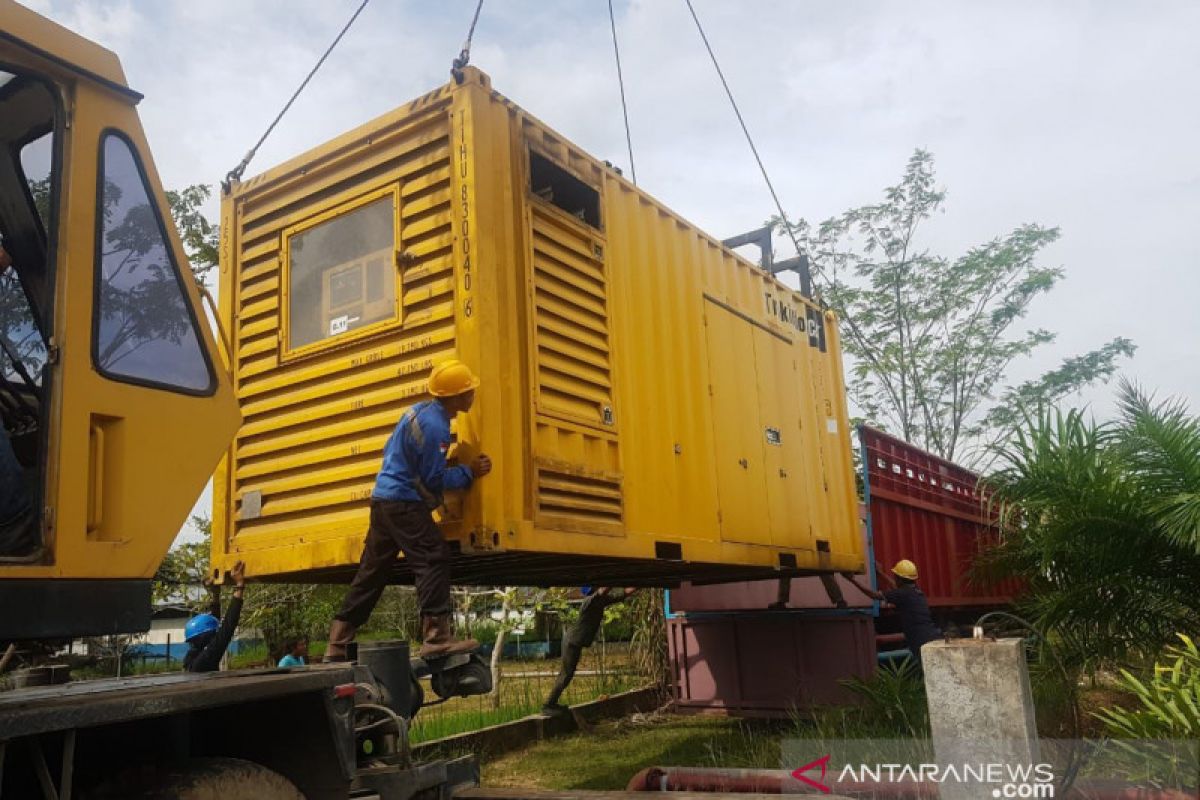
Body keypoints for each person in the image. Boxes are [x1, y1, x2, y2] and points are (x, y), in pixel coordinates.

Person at [325, 359, 493, 661]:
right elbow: (434, 479)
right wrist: (469, 471)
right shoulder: (436, 427)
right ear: (455, 396)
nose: (473, 395)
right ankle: (436, 637)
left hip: (383, 501)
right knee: (433, 557)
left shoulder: (418, 411)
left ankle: (337, 642)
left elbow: (396, 453)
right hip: (403, 503)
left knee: (372, 572)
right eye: (469, 391)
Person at [542, 586, 636, 714]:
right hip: (572, 642)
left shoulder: (602, 601)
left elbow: (624, 593)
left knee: (567, 674)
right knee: (566, 674)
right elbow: (603, 590)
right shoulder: (589, 601)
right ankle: (548, 705)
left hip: (575, 642)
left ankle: (551, 704)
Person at [844, 559, 942, 671]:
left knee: (930, 672)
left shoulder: (902, 594)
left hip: (920, 641)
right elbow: (896, 587)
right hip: (932, 636)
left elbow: (874, 595)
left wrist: (852, 580)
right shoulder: (916, 592)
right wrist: (880, 573)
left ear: (899, 579)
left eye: (895, 576)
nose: (894, 578)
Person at [184, 561, 246, 672]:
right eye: (214, 634)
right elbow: (227, 628)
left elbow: (215, 623)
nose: (216, 635)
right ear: (206, 637)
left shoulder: (193, 657)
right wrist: (239, 585)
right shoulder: (204, 660)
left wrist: (216, 594)